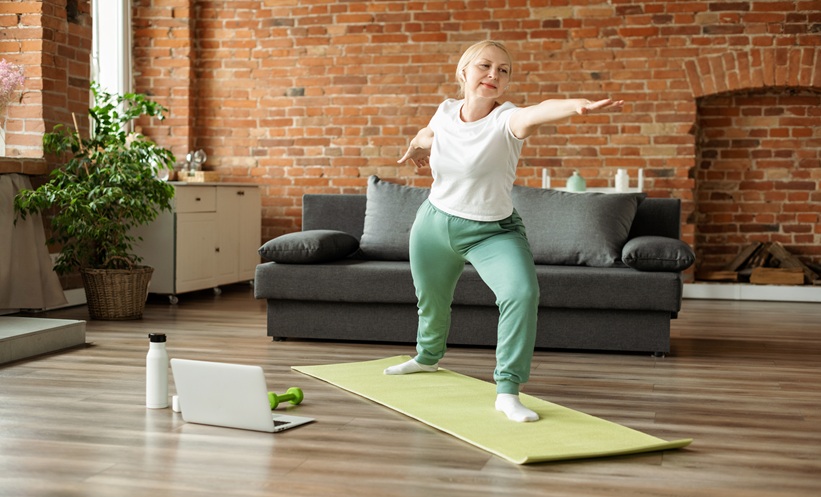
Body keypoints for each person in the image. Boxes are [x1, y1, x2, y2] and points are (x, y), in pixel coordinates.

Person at [385, 40, 624, 422]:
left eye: (503, 70)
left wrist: (574, 106)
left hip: (492, 231)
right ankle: (427, 358)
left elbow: (540, 111)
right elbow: (430, 133)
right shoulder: (445, 111)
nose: (494, 75)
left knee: (521, 293)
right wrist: (417, 146)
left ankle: (507, 390)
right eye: (484, 66)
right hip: (432, 224)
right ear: (463, 73)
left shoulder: (507, 119)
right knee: (430, 301)